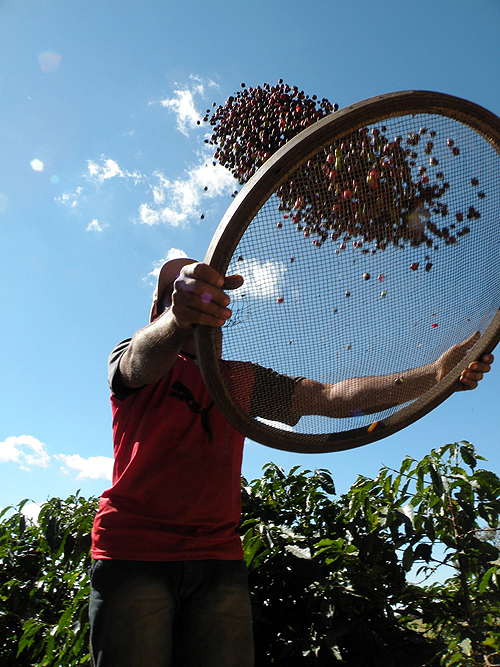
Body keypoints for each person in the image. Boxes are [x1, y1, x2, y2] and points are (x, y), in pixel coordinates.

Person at [89, 258, 494, 667]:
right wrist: (176, 319)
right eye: (177, 298)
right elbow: (141, 358)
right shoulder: (136, 358)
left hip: (217, 555)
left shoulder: (240, 381)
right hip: (134, 552)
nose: (197, 306)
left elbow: (331, 398)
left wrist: (436, 374)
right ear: (160, 310)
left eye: (208, 300)